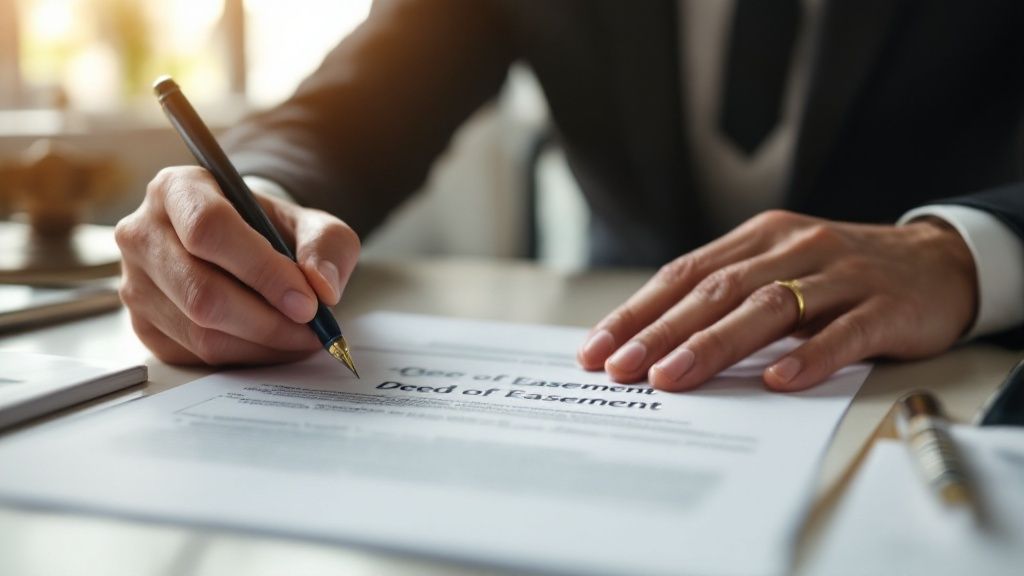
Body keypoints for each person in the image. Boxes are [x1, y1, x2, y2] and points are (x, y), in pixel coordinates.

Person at [115, 0, 1024, 392]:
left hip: (941, 376)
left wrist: (965, 250)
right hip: (614, 359)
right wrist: (246, 204)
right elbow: (358, 104)